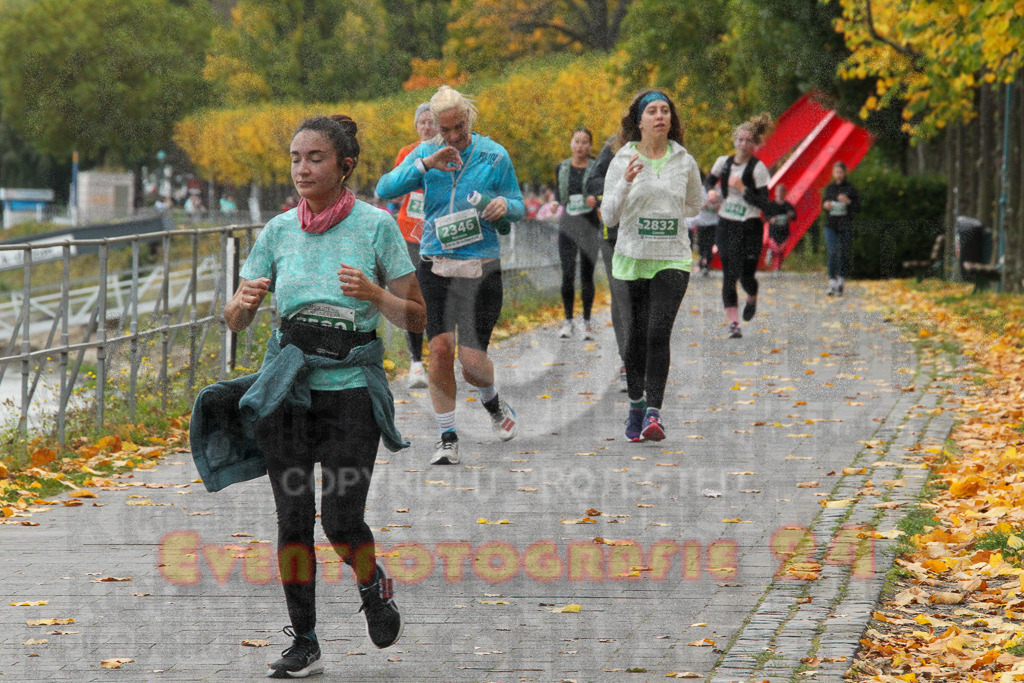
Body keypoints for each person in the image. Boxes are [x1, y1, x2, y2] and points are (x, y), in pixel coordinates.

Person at [213, 114, 426, 676]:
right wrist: (244, 304)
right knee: (291, 520)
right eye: (295, 158)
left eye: (315, 158)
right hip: (289, 392)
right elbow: (233, 318)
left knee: (340, 518)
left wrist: (375, 293)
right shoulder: (278, 232)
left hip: (351, 391)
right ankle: (304, 640)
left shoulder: (377, 227)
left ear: (344, 166)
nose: (302, 169)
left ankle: (371, 583)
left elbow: (416, 314)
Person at [376, 85, 524, 466]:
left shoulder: (494, 155)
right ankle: (447, 436)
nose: (454, 137)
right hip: (435, 263)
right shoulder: (425, 153)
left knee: (473, 365)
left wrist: (504, 205)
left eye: (459, 127)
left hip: (481, 267)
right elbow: (384, 189)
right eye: (445, 130)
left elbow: (519, 205)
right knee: (440, 349)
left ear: (469, 119)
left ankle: (491, 399)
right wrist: (426, 163)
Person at [601, 90, 702, 442]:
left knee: (659, 332)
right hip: (631, 258)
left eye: (665, 111)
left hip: (672, 257)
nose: (660, 116)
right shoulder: (622, 159)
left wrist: (665, 217)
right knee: (635, 338)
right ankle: (636, 404)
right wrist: (627, 183)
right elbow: (608, 215)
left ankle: (654, 414)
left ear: (671, 120)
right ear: (639, 120)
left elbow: (694, 205)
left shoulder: (684, 160)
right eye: (652, 111)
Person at [705, 113, 773, 339]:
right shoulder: (723, 163)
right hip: (726, 224)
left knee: (746, 276)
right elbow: (709, 180)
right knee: (729, 274)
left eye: (748, 141)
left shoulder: (758, 169)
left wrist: (744, 188)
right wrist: (712, 191)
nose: (743, 144)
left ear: (755, 145)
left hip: (750, 226)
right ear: (734, 141)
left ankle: (752, 295)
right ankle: (734, 324)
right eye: (740, 140)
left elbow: (765, 203)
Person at [392, 102, 438, 388]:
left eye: (431, 121)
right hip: (409, 233)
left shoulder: (448, 153)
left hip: (438, 235)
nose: (426, 126)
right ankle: (415, 363)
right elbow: (396, 187)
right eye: (422, 122)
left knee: (434, 296)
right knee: (412, 296)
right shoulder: (407, 153)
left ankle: (438, 360)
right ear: (416, 126)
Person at [587, 134, 631, 391]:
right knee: (621, 296)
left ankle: (646, 358)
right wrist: (625, 182)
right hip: (614, 237)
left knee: (644, 299)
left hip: (649, 236)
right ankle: (627, 360)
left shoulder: (663, 146)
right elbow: (593, 182)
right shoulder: (615, 145)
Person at [554, 128, 602, 340]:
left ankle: (587, 322)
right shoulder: (562, 167)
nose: (580, 146)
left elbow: (605, 192)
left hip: (589, 224)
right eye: (577, 141)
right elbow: (559, 192)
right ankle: (568, 321)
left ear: (590, 146)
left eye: (585, 142)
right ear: (571, 143)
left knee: (586, 275)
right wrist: (555, 203)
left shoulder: (596, 168)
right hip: (568, 224)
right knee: (567, 274)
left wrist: (597, 201)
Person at [822, 161, 860, 296]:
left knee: (843, 252)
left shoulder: (850, 188)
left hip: (845, 224)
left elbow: (858, 207)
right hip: (831, 225)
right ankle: (832, 282)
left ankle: (841, 282)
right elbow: (824, 204)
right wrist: (826, 205)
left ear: (844, 173)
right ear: (833, 173)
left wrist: (848, 201)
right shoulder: (830, 188)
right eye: (836, 172)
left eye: (840, 172)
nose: (838, 175)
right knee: (832, 252)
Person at [763, 184, 797, 271]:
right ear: (775, 193)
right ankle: (770, 252)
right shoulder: (771, 205)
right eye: (778, 191)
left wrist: (791, 215)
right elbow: (765, 216)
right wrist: (771, 219)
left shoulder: (788, 205)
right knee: (775, 249)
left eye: (782, 191)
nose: (780, 193)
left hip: (784, 232)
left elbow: (794, 217)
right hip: (773, 232)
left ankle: (777, 269)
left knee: (781, 252)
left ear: (785, 193)